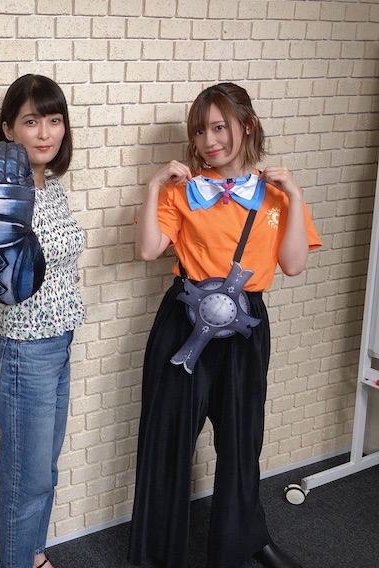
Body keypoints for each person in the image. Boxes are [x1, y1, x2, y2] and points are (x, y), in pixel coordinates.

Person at [128, 82, 321, 568]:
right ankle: (157, 557)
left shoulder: (276, 197)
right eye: (200, 131)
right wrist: (153, 188)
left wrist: (296, 196)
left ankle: (245, 544)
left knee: (241, 440)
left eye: (219, 127)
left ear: (248, 126)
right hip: (184, 323)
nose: (209, 141)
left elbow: (294, 265)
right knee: (168, 438)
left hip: (246, 326)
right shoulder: (182, 191)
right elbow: (148, 249)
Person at [0, 74, 86, 568]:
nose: (45, 132)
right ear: (9, 129)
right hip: (25, 349)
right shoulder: (4, 192)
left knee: (43, 470)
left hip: (59, 340)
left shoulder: (54, 189)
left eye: (54, 120)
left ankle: (33, 556)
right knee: (26, 478)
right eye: (30, 121)